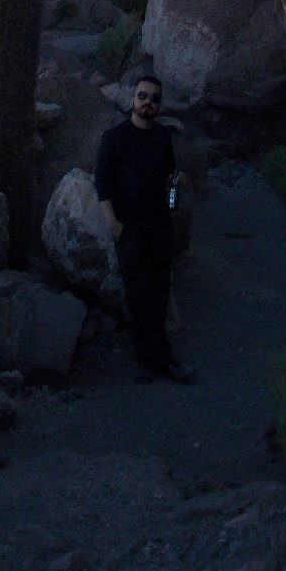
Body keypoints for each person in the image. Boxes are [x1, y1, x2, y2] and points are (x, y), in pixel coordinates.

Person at [95, 74, 194, 384]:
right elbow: (102, 183)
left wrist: (175, 194)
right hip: (131, 229)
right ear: (132, 99)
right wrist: (113, 224)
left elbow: (169, 176)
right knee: (138, 294)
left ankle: (158, 359)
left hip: (159, 225)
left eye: (154, 98)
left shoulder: (162, 136)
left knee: (159, 291)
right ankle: (152, 361)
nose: (147, 102)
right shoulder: (115, 138)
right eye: (142, 96)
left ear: (159, 105)